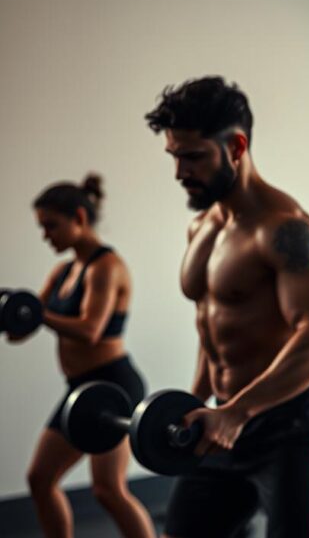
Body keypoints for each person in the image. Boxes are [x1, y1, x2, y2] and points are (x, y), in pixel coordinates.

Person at [144, 76, 309, 538]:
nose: (180, 172)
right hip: (222, 423)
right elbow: (212, 326)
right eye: (175, 156)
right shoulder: (202, 228)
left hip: (288, 429)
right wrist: (195, 399)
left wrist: (237, 410)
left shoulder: (286, 230)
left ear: (235, 146)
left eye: (193, 157)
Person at [14, 174, 154, 538]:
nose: (46, 236)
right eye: (42, 228)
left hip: (113, 386)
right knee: (40, 478)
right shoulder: (64, 270)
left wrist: (36, 314)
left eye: (51, 226)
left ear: (79, 217)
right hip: (79, 387)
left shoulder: (107, 267)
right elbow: (24, 325)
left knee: (108, 490)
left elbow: (90, 329)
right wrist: (13, 314)